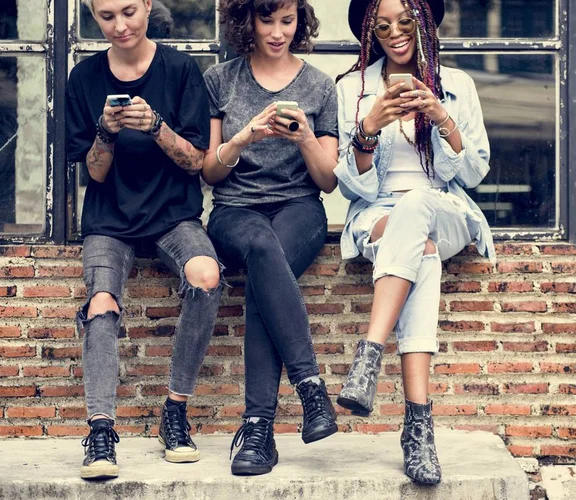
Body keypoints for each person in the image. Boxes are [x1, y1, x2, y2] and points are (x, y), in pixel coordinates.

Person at [334, 0, 495, 485]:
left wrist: (442, 119)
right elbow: (350, 186)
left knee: (419, 206)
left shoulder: (457, 85)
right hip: (379, 215)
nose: (395, 33)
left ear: (424, 23)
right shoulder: (353, 88)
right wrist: (368, 129)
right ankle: (418, 429)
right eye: (382, 26)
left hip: (444, 208)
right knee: (418, 246)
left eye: (405, 22)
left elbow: (475, 172)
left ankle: (369, 352)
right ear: (370, 30)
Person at [67, 0, 223, 479]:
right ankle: (100, 433)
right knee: (101, 304)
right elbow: (93, 173)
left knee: (207, 275)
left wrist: (155, 126)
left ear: (148, 6)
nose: (121, 25)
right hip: (108, 220)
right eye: (107, 16)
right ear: (95, 16)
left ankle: (174, 413)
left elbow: (197, 161)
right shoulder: (85, 78)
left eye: (129, 11)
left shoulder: (179, 69)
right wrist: (106, 133)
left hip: (173, 215)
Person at [202, 0, 339, 477]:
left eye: (287, 20)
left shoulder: (320, 85)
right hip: (235, 212)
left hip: (300, 209)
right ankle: (310, 389)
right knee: (263, 249)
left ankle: (257, 428)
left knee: (268, 264)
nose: (278, 32)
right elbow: (211, 172)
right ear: (247, 21)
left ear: (300, 21)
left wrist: (304, 137)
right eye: (267, 20)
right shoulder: (221, 79)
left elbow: (327, 180)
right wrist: (244, 137)